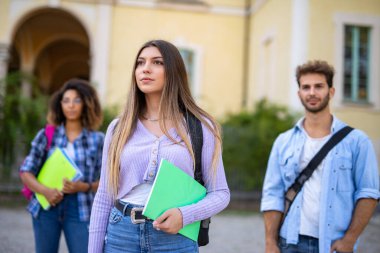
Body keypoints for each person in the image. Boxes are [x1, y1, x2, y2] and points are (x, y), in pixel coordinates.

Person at [88, 39, 230, 253]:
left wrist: (184, 215)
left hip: (176, 239)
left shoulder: (201, 127)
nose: (145, 68)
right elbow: (104, 196)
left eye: (157, 62)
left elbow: (220, 193)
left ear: (174, 71)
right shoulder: (118, 127)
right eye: (140, 63)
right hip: (121, 234)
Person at [261, 60, 380, 253]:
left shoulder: (357, 141)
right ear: (299, 93)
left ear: (331, 92)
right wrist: (269, 242)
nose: (312, 93)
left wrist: (349, 240)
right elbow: (272, 194)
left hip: (333, 245)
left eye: (319, 86)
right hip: (288, 242)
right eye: (306, 87)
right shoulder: (283, 142)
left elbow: (368, 193)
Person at [19, 79, 105, 253]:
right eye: (66, 100)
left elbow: (108, 181)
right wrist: (46, 191)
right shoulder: (47, 134)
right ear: (60, 105)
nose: (71, 105)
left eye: (77, 100)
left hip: (81, 208)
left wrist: (83, 186)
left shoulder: (98, 140)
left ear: (87, 104)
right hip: (47, 207)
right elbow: (26, 172)